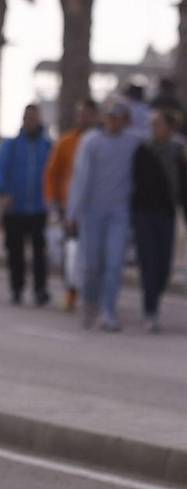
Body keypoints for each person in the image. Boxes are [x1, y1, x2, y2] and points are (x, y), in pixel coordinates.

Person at [66, 99, 143, 332]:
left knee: (114, 263)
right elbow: (80, 180)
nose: (113, 120)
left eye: (118, 116)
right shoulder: (90, 142)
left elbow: (162, 140)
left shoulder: (133, 143)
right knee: (91, 265)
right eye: (110, 115)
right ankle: (90, 303)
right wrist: (73, 212)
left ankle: (109, 311)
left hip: (118, 213)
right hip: (92, 213)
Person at [0, 104, 54, 305]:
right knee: (15, 251)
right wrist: (3, 192)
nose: (30, 122)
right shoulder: (11, 145)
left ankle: (40, 289)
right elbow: (0, 169)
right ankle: (17, 287)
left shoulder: (46, 145)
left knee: (39, 252)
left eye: (33, 118)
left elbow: (54, 173)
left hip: (37, 208)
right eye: (27, 118)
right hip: (15, 208)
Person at [132, 109, 186, 333]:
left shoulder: (177, 151)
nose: (154, 128)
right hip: (143, 213)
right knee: (148, 262)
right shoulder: (143, 149)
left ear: (169, 127)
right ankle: (150, 310)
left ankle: (155, 298)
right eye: (152, 124)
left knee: (164, 265)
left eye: (159, 124)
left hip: (166, 213)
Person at [44, 97, 98, 311]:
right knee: (71, 252)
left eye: (86, 114)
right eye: (80, 114)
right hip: (70, 206)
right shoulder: (66, 142)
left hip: (95, 206)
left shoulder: (100, 140)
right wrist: (51, 200)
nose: (82, 118)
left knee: (94, 253)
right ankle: (71, 291)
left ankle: (93, 294)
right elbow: (51, 173)